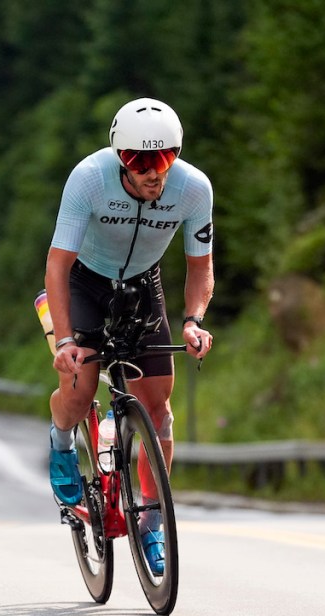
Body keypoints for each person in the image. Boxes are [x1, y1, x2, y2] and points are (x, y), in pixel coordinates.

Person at [44, 97, 214, 575]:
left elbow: (201, 266)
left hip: (144, 286)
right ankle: (60, 440)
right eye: (140, 160)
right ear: (120, 156)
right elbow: (58, 265)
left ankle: (153, 521)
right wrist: (64, 341)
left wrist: (193, 320)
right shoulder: (89, 179)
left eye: (164, 158)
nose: (153, 171)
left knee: (158, 410)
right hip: (87, 284)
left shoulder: (194, 189)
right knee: (77, 393)